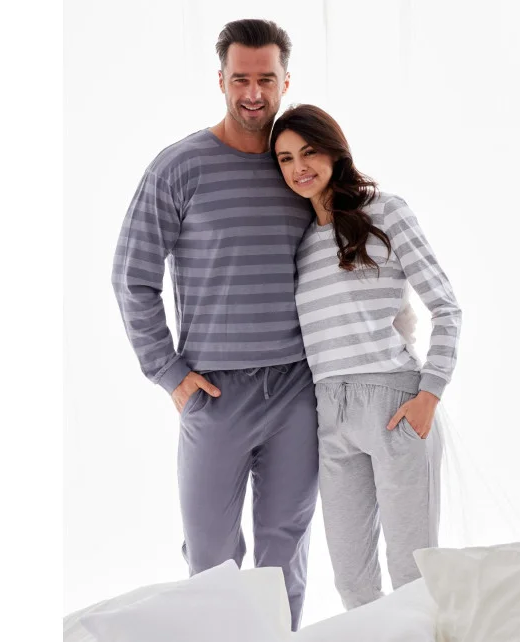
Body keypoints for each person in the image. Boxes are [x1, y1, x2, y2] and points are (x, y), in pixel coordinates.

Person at [111, 20, 319, 631]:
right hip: (214, 392)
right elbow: (132, 276)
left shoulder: (298, 169)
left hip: (296, 388)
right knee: (210, 559)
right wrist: (169, 373)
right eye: (241, 79)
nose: (253, 93)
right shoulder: (179, 167)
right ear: (221, 80)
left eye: (266, 79)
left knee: (285, 555)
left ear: (286, 82)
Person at [270, 104, 463, 609]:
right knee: (352, 582)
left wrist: (430, 393)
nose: (298, 167)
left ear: (335, 151)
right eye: (286, 159)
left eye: (309, 152)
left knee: (412, 573)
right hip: (329, 413)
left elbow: (446, 307)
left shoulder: (387, 211)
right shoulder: (300, 243)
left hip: (394, 403)